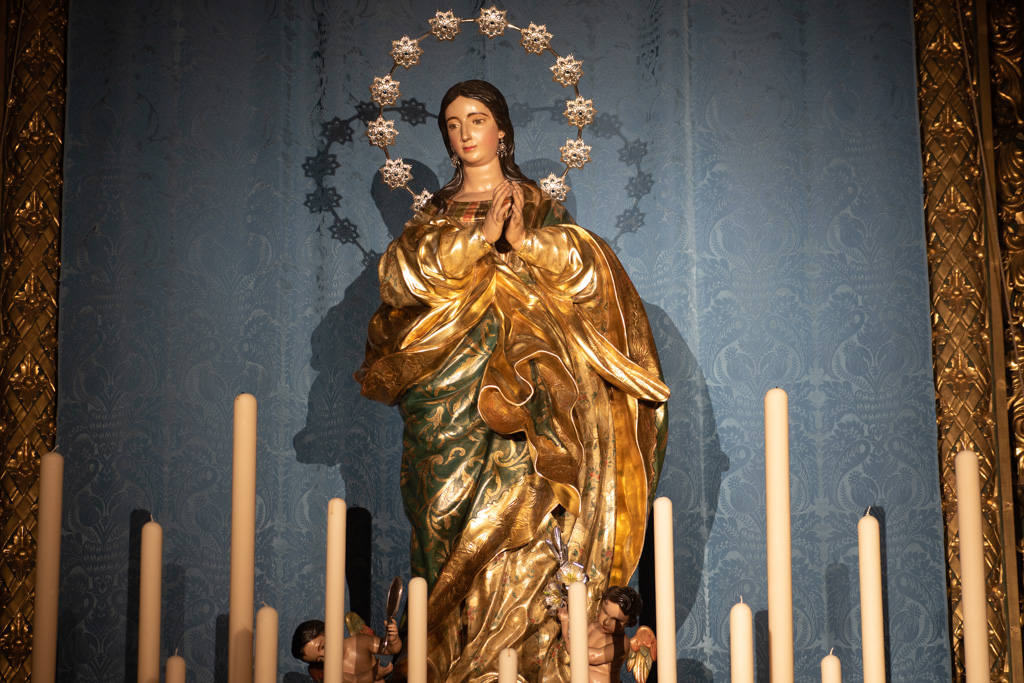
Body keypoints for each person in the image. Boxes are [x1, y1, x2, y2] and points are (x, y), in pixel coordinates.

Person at [357, 79, 669, 682]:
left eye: (476, 119)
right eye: (451, 124)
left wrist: (523, 242)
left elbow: (587, 273)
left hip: (522, 387)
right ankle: (441, 657)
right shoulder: (433, 217)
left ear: (501, 129)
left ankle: (521, 653)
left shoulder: (534, 206)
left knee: (521, 512)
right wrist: (477, 241)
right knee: (441, 513)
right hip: (442, 388)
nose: (464, 133)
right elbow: (398, 279)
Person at [557, 586, 643, 683]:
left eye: (616, 620)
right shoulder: (592, 627)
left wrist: (571, 645)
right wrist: (565, 621)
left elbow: (593, 657)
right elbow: (571, 637)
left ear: (628, 622)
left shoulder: (622, 643)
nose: (606, 621)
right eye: (605, 612)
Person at [290, 618, 401, 683]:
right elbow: (355, 680)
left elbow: (391, 649)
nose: (326, 656)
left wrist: (393, 639)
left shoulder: (360, 641)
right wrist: (373, 674)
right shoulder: (333, 672)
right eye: (320, 659)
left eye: (323, 647)